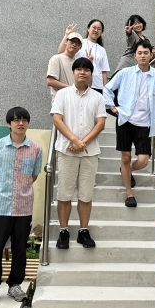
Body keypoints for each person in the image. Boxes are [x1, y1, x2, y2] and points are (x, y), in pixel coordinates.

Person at [0, 107, 43, 306]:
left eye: (24, 120)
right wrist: (2, 192)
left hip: (24, 206)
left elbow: (33, 175)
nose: (21, 123)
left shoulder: (36, 149)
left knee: (20, 248)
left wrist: (21, 191)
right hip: (0, 206)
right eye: (16, 120)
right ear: (9, 123)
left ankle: (15, 285)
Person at [104, 39, 155, 207]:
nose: (143, 56)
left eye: (146, 53)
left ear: (151, 54)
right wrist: (112, 106)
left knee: (143, 160)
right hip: (125, 120)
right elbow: (107, 88)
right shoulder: (125, 73)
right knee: (125, 157)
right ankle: (129, 193)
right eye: (140, 53)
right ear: (135, 55)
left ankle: (127, 170)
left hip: (145, 122)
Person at [51, 57, 106, 249]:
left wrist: (82, 143)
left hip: (90, 153)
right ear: (73, 72)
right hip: (67, 151)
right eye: (79, 69)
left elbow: (100, 124)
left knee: (86, 194)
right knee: (64, 193)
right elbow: (57, 119)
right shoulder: (62, 94)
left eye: (86, 69)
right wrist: (75, 140)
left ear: (91, 74)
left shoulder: (98, 97)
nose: (82, 72)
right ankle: (63, 231)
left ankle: (83, 231)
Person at [58, 19, 110, 94]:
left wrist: (106, 89)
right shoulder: (80, 43)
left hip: (98, 86)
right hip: (82, 83)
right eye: (94, 27)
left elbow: (104, 71)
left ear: (101, 32)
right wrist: (67, 34)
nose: (96, 30)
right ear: (88, 28)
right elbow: (61, 52)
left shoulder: (102, 50)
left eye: (99, 29)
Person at [46, 23, 82, 101]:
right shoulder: (56, 58)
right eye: (72, 42)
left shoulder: (77, 64)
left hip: (74, 102)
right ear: (66, 42)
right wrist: (71, 88)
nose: (74, 44)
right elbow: (50, 81)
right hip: (60, 101)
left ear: (80, 47)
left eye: (77, 43)